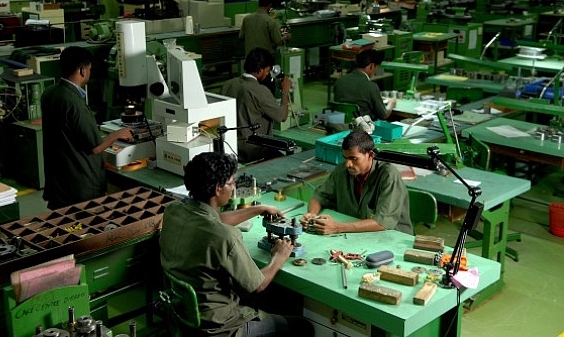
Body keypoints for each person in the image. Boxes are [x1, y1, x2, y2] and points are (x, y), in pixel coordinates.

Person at [159, 152, 314, 337]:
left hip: (184, 316)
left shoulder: (173, 212)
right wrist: (278, 258)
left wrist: (258, 209)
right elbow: (258, 285)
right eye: (231, 183)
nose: (233, 188)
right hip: (221, 329)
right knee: (303, 326)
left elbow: (215, 220)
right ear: (218, 188)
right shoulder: (225, 237)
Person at [41, 46, 133, 210]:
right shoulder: (75, 104)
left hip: (59, 184)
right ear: (82, 70)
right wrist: (119, 134)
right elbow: (96, 147)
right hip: (80, 188)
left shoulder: (50, 93)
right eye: (89, 69)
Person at [300, 130, 413, 235]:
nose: (348, 164)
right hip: (357, 234)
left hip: (392, 237)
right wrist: (311, 215)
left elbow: (382, 223)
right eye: (345, 158)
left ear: (370, 155)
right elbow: (319, 196)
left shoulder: (388, 175)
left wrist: (337, 227)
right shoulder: (342, 171)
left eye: (354, 158)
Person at [221, 47, 292, 164]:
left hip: (231, 147)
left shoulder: (229, 84)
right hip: (253, 149)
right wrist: (285, 91)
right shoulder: (259, 90)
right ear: (259, 70)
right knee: (287, 161)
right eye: (267, 71)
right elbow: (282, 116)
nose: (268, 74)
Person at [333, 49, 397, 121]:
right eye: (376, 67)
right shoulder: (371, 86)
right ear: (371, 66)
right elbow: (383, 115)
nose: (376, 71)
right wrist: (391, 103)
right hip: (362, 129)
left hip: (340, 125)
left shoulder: (340, 81)